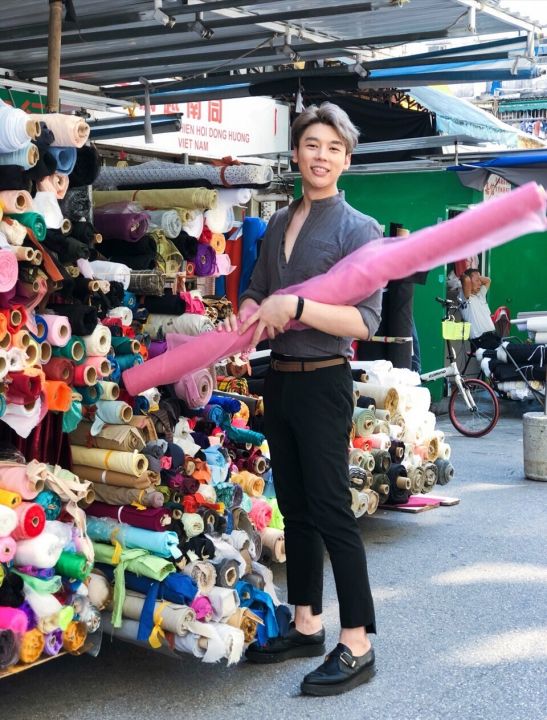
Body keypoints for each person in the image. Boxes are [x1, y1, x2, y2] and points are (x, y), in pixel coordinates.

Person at [219, 102, 382, 696]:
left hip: (324, 379)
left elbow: (364, 321)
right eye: (312, 144)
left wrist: (301, 308)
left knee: (333, 509)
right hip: (281, 378)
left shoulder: (359, 229)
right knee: (296, 507)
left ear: (347, 160)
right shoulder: (279, 221)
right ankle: (307, 623)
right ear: (295, 153)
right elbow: (258, 290)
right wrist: (247, 310)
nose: (321, 156)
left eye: (334, 148)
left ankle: (357, 641)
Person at [459, 268, 500, 350]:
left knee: (515, 350)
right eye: (477, 281)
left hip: (494, 337)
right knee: (512, 352)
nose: (480, 283)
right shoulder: (464, 297)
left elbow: (488, 280)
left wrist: (477, 277)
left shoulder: (480, 294)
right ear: (469, 282)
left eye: (480, 281)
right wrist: (468, 276)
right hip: (481, 341)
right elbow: (465, 279)